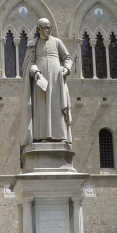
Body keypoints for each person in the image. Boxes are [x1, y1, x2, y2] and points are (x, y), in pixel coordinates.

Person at [19, 18, 73, 147]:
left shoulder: (57, 42)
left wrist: (66, 68)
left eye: (48, 27)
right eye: (44, 28)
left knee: (56, 107)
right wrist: (35, 71)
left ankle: (59, 136)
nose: (47, 30)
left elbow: (67, 58)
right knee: (41, 108)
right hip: (40, 82)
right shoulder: (33, 44)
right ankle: (41, 137)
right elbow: (29, 63)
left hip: (56, 81)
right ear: (39, 29)